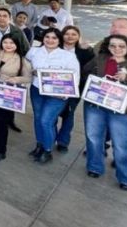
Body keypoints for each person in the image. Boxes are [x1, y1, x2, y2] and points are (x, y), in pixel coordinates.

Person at [82, 35, 127, 191]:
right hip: (96, 106)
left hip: (121, 111)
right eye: (113, 46)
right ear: (107, 47)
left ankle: (126, 178)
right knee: (94, 139)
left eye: (121, 46)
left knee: (121, 145)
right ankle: (95, 167)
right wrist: (93, 82)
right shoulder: (100, 59)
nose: (116, 49)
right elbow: (85, 72)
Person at [26, 28, 80, 164]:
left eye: (54, 38)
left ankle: (47, 150)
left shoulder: (68, 56)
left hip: (57, 94)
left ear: (59, 40)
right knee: (38, 119)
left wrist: (65, 94)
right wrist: (30, 71)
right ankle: (39, 145)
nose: (50, 40)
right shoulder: (34, 51)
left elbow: (75, 77)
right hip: (37, 90)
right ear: (43, 38)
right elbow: (25, 65)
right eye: (47, 37)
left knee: (46, 121)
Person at [0, 35, 32, 162]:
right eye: (5, 42)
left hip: (6, 93)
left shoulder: (22, 60)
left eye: (11, 42)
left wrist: (16, 79)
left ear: (17, 44)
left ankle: (1, 150)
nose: (8, 45)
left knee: (1, 122)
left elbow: (28, 78)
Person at [55, 25, 95, 152]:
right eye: (67, 34)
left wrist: (88, 50)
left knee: (69, 114)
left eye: (74, 34)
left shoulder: (85, 50)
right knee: (53, 113)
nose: (70, 37)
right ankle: (51, 137)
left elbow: (91, 69)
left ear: (78, 37)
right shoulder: (55, 47)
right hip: (55, 87)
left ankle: (63, 141)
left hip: (75, 88)